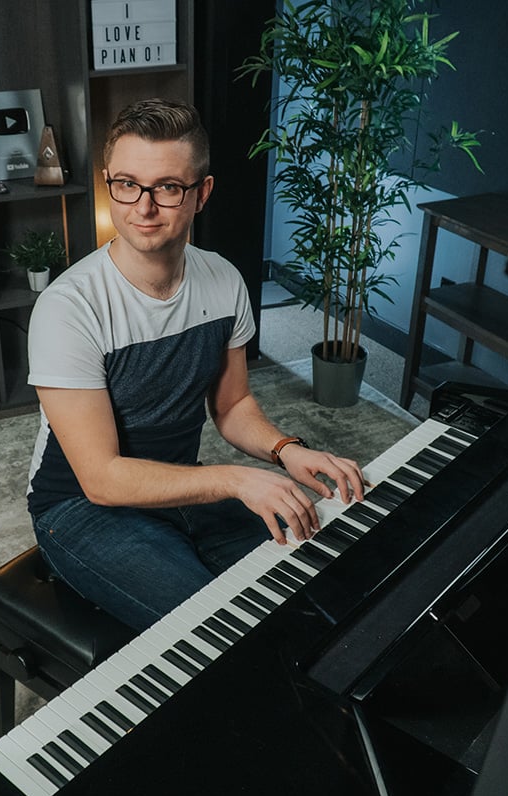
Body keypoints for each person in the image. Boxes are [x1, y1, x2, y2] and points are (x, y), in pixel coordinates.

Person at [25, 98, 367, 631]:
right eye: (126, 184)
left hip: (180, 486)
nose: (143, 207)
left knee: (321, 572)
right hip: (79, 509)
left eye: (167, 187)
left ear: (201, 193)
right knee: (222, 629)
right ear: (108, 182)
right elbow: (101, 479)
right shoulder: (68, 307)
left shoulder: (223, 281)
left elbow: (232, 406)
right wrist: (237, 481)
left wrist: (285, 452)